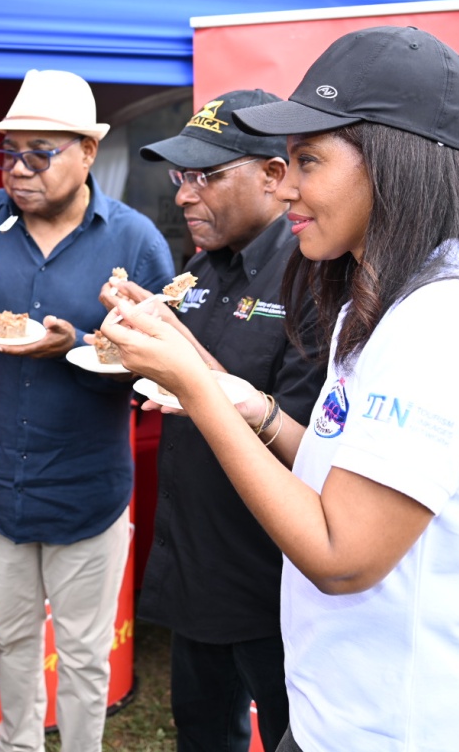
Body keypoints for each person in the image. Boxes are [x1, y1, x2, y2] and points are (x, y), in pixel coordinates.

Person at [102, 26, 459, 752]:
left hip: (403, 728)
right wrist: (251, 407)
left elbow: (342, 552)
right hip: (339, 713)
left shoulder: (444, 321)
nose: (286, 185)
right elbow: (347, 471)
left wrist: (199, 389)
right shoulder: (380, 301)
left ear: (390, 163)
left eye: (307, 160)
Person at [0, 68, 176, 752]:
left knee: (87, 656)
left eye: (40, 152)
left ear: (88, 153)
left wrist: (84, 343)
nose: (18, 169)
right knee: (10, 641)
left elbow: (161, 364)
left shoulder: (134, 242)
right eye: (8, 152)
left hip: (88, 490)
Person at [116, 89, 326, 752]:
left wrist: (181, 356)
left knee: (296, 736)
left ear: (274, 175)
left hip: (271, 582)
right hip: (194, 565)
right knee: (202, 735)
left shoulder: (316, 282)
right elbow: (181, 383)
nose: (183, 195)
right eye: (182, 175)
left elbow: (307, 443)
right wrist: (139, 334)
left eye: (207, 175)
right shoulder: (200, 269)